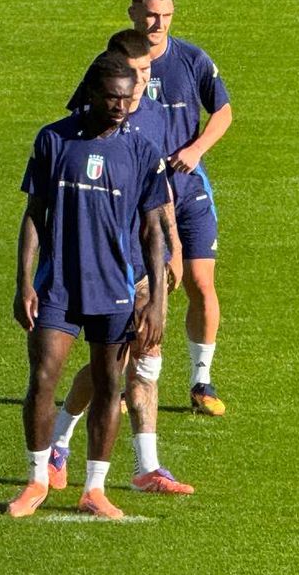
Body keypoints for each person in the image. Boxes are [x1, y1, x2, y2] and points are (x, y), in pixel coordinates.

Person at [8, 52, 170, 520]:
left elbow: (154, 230)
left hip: (114, 287)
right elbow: (34, 216)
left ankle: (94, 489)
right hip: (58, 284)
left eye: (127, 98)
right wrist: (24, 283)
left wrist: (156, 302)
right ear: (93, 94)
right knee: (43, 379)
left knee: (108, 383)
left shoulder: (141, 150)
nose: (121, 106)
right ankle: (38, 479)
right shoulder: (53, 140)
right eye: (113, 97)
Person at [48, 29, 193, 495]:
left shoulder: (144, 116)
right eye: (137, 74)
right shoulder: (89, 119)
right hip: (105, 263)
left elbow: (158, 193)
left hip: (141, 261)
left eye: (148, 74)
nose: (144, 85)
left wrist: (171, 248)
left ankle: (147, 466)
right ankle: (60, 441)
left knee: (147, 359)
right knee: (112, 365)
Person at [129, 0, 232, 417]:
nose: (159, 23)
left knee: (201, 284)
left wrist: (195, 150)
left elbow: (223, 111)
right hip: (142, 197)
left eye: (166, 15)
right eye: (151, 14)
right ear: (133, 12)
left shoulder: (192, 59)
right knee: (150, 289)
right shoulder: (118, 63)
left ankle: (201, 381)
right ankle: (138, 380)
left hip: (190, 191)